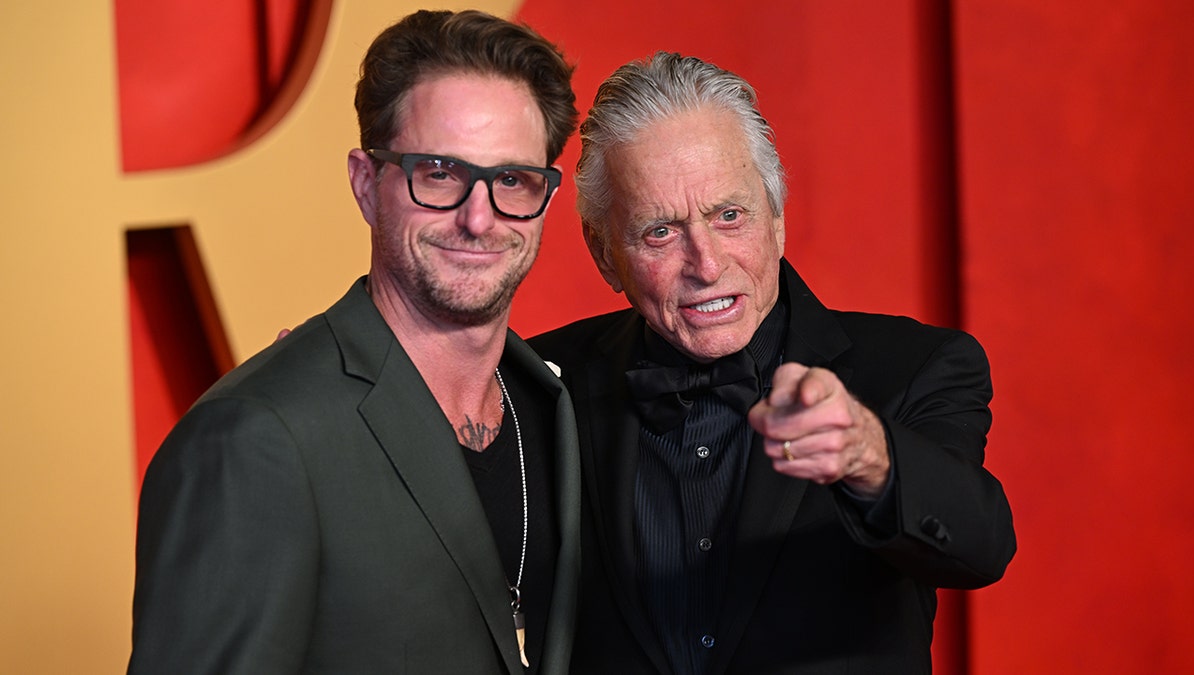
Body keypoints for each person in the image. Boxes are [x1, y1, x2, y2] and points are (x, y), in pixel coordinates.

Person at [529, 52, 1016, 674]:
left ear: (777, 219)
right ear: (602, 254)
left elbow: (979, 548)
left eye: (729, 216)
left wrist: (870, 457)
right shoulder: (541, 383)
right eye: (660, 232)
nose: (705, 264)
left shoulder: (917, 366)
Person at [128, 10, 580, 674]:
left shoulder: (555, 407)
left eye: (512, 179)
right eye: (439, 173)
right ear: (368, 184)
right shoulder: (257, 439)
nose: (479, 218)